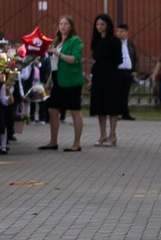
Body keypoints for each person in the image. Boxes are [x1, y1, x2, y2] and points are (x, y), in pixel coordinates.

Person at [45, 16, 84, 151]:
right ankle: (53, 141)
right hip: (57, 79)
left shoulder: (75, 41)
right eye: (61, 23)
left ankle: (76, 143)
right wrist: (49, 81)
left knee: (75, 111)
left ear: (71, 26)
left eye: (66, 24)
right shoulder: (57, 43)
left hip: (71, 80)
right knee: (52, 109)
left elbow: (74, 59)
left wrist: (57, 53)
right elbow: (54, 64)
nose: (62, 26)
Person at [88, 13, 125, 148]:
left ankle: (112, 134)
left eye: (102, 24)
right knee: (100, 105)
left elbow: (119, 59)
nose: (100, 27)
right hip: (98, 75)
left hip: (111, 75)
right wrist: (92, 78)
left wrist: (105, 59)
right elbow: (94, 60)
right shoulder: (96, 40)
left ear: (108, 25)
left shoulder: (115, 40)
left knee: (112, 105)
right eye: (97, 24)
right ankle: (102, 134)